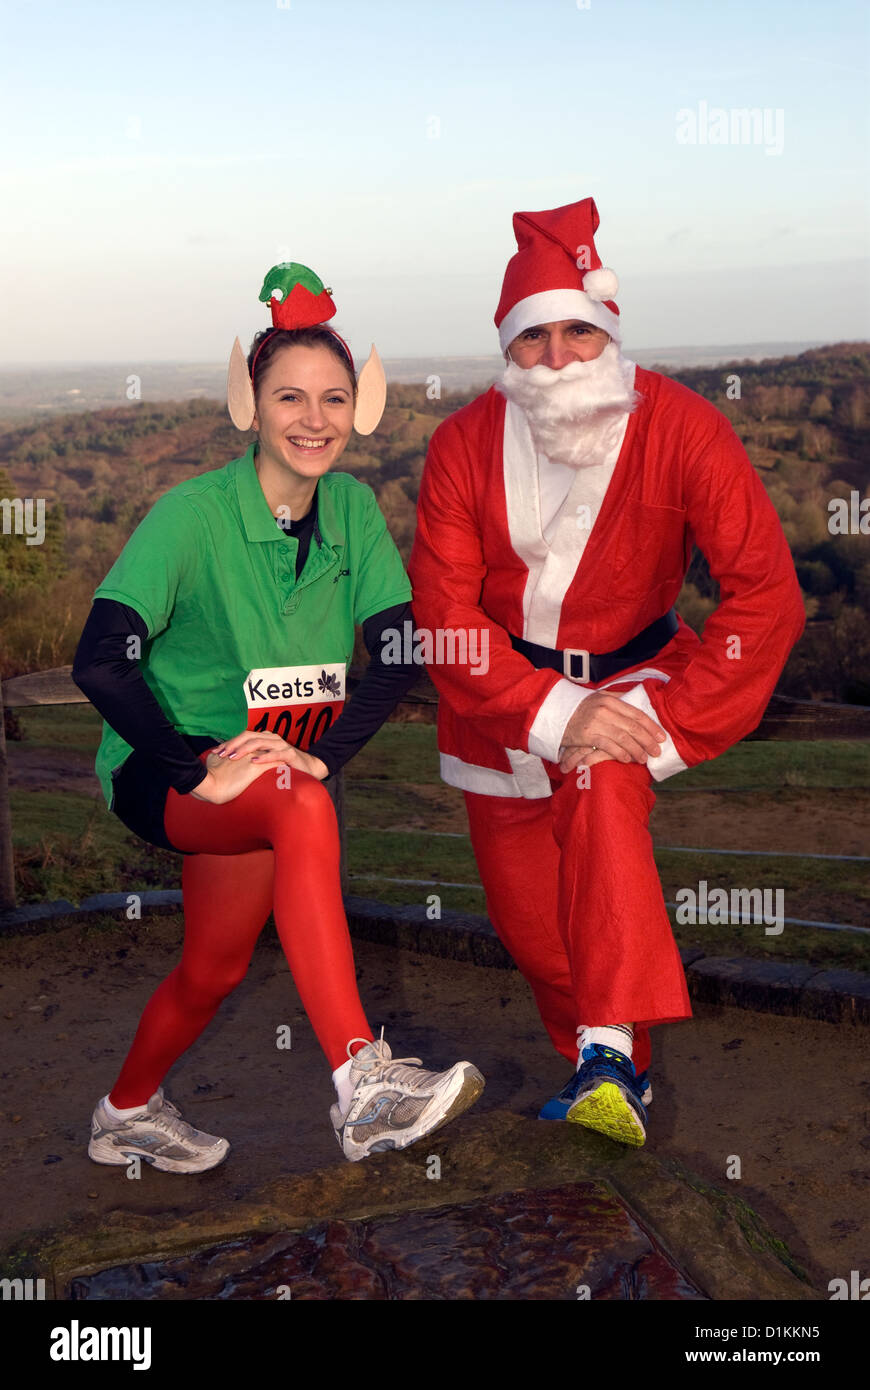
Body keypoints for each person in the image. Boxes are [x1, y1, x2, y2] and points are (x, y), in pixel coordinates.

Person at [408, 197, 805, 1147]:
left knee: (601, 785)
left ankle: (607, 1057)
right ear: (509, 349)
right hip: (498, 702)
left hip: (638, 684)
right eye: (534, 338)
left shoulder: (685, 427)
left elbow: (766, 595)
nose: (558, 358)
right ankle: (606, 1064)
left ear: (611, 332)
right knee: (538, 934)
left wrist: (673, 719)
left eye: (579, 331)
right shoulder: (460, 446)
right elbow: (447, 618)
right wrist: (548, 708)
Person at [72, 261, 483, 1173]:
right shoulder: (192, 516)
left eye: (333, 398)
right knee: (297, 805)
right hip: (166, 770)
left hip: (279, 774)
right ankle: (361, 1087)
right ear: (249, 405)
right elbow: (99, 659)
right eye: (288, 396)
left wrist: (326, 757)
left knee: (215, 968)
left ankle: (125, 1111)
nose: (313, 419)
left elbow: (402, 652)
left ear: (359, 409)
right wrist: (193, 767)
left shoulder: (353, 510)